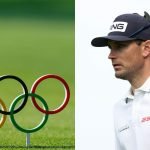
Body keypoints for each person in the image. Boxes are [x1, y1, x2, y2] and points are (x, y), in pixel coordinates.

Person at [91, 12, 150, 150]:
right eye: (110, 47)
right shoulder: (120, 108)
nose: (110, 56)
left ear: (146, 48)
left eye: (120, 46)